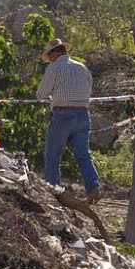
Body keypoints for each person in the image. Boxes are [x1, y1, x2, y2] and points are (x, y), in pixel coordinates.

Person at [36, 38, 102, 204]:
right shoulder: (82, 67)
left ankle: (53, 193)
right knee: (83, 155)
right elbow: (88, 90)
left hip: (62, 116)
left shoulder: (54, 68)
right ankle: (93, 188)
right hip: (82, 115)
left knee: (53, 156)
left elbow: (41, 94)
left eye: (50, 54)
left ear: (55, 53)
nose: (49, 57)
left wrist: (52, 97)